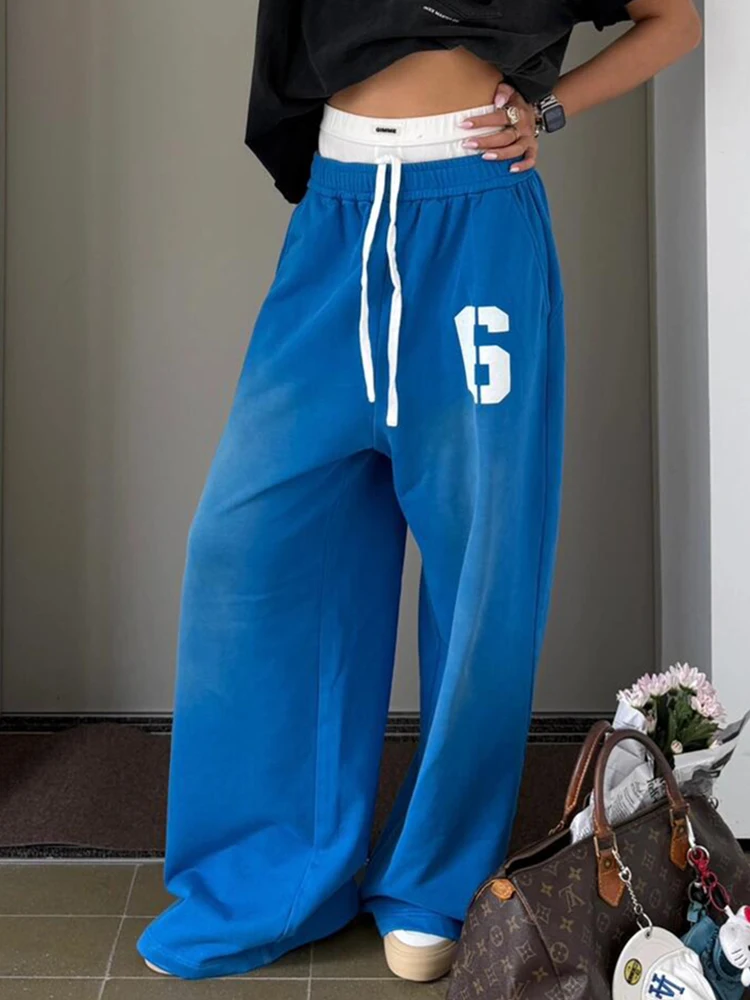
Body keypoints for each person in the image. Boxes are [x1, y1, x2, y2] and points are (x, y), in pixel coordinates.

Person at [138, 0, 702, 984]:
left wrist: (550, 109)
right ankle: (273, 873)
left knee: (482, 570)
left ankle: (435, 879)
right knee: (251, 547)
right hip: (340, 212)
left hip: (476, 214)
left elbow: (677, 18)